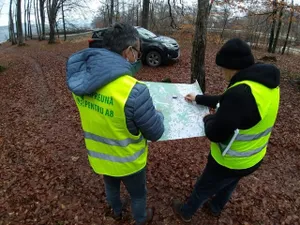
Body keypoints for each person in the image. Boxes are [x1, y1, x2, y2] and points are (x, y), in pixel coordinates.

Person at [172, 38, 280, 222]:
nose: (222, 73)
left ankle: (186, 212)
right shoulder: (265, 85)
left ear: (232, 67)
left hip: (228, 160)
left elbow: (215, 133)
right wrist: (199, 98)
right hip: (252, 158)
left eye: (223, 69)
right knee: (229, 184)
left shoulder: (240, 94)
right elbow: (227, 100)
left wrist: (207, 118)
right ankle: (215, 207)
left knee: (203, 187)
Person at [66, 23, 164, 225]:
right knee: (138, 195)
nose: (138, 56)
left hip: (100, 156)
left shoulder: (79, 82)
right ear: (128, 52)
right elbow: (155, 132)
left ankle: (117, 212)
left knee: (111, 187)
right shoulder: (135, 90)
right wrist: (158, 115)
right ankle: (141, 219)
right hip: (129, 161)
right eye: (137, 51)